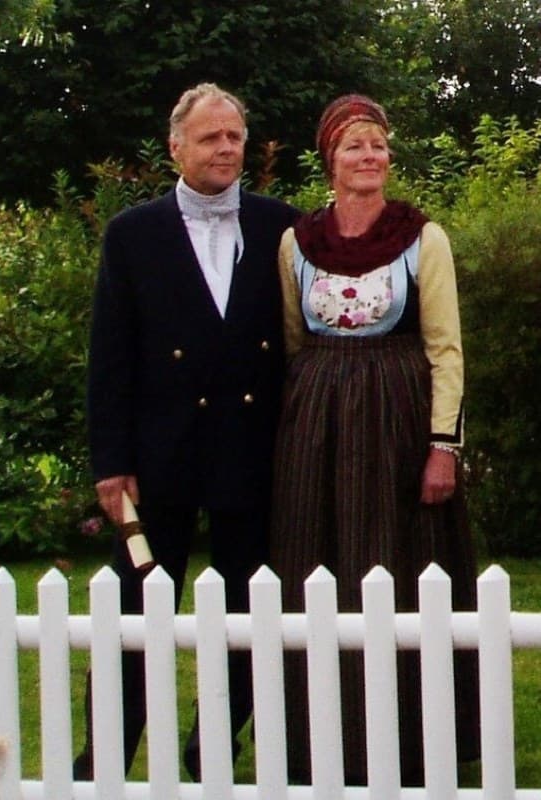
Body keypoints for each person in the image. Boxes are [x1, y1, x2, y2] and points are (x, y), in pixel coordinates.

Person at [74, 82, 299, 781]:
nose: (226, 148)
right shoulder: (132, 234)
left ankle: (213, 755)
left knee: (245, 613)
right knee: (134, 615)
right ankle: (104, 758)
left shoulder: (282, 227)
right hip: (158, 455)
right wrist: (110, 463)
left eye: (235, 136)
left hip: (251, 449)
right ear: (176, 147)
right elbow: (110, 357)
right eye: (210, 137)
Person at [270, 94, 480, 785]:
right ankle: (321, 742)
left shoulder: (422, 237)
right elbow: (293, 341)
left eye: (378, 145)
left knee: (400, 570)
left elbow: (444, 348)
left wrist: (442, 445)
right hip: (318, 425)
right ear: (329, 159)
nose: (370, 156)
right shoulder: (297, 243)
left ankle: (412, 743)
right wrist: (311, 411)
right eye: (354, 145)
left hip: (397, 420)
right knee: (316, 568)